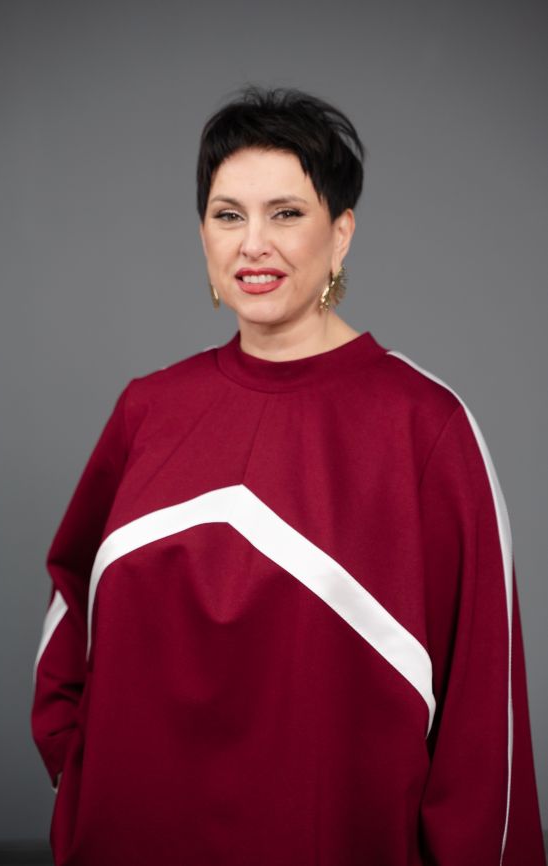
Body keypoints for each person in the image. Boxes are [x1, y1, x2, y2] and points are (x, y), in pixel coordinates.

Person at [31, 87, 546, 866]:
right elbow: (71, 603)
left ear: (340, 234)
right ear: (202, 234)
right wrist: (79, 775)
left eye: (285, 213)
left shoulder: (425, 426)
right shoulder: (149, 409)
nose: (252, 244)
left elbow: (483, 712)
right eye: (227, 214)